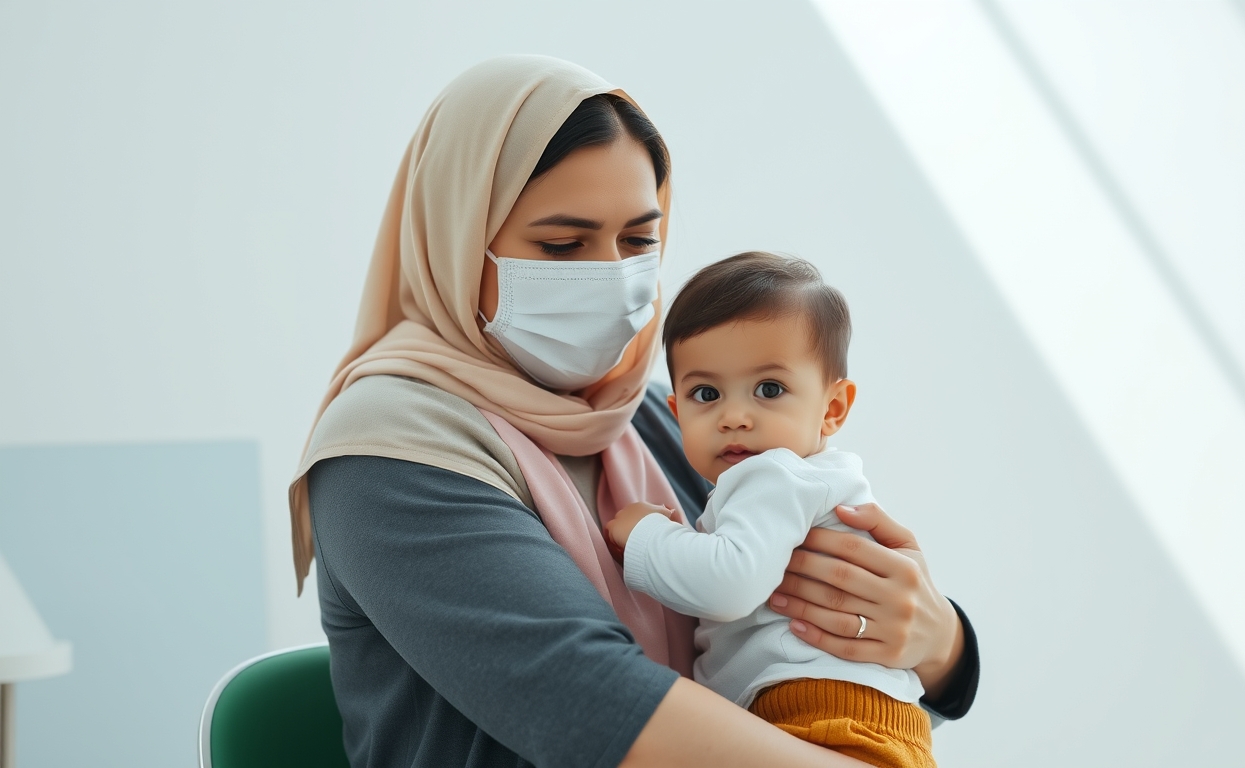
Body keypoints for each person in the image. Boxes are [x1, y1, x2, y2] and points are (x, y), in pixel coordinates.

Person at [289, 55, 978, 768]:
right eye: (563, 245)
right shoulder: (388, 452)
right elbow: (592, 702)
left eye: (639, 241)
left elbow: (790, 652)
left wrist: (938, 643)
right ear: (457, 238)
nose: (612, 275)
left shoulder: (650, 420)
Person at [605, 251, 935, 767]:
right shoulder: (807, 479)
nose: (735, 416)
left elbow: (730, 584)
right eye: (706, 393)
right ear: (677, 411)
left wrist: (646, 535)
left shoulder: (774, 474)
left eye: (769, 389)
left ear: (832, 409)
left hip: (824, 717)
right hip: (847, 718)